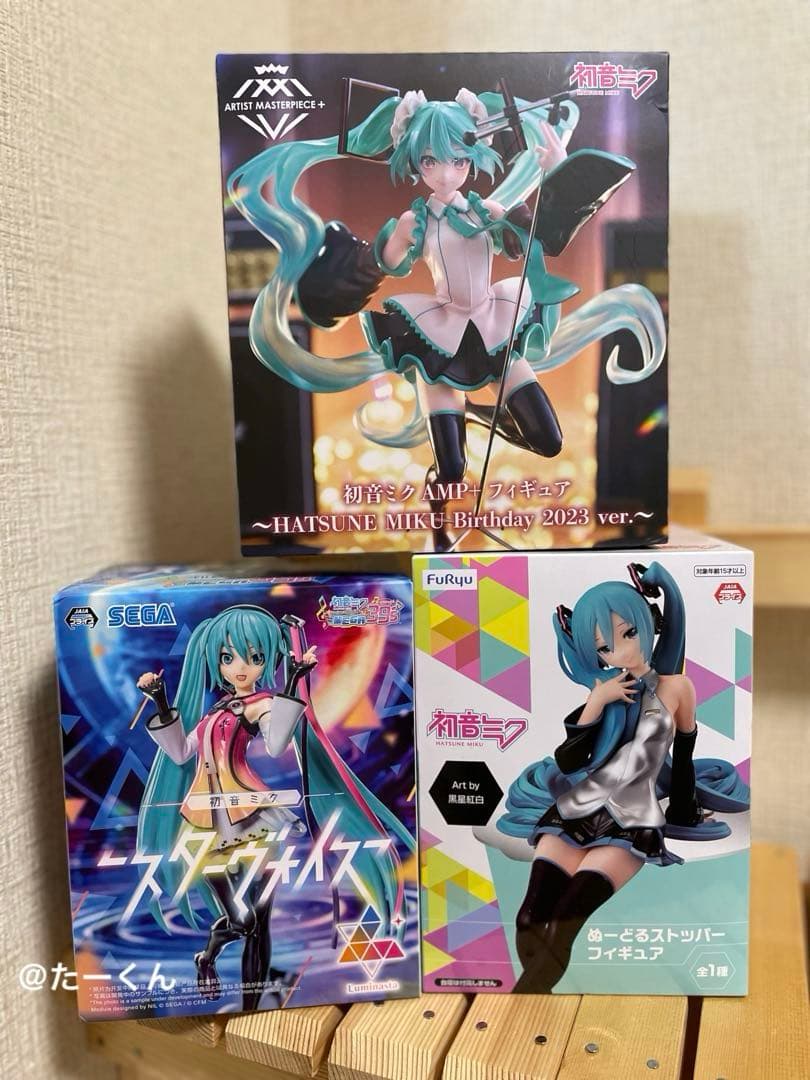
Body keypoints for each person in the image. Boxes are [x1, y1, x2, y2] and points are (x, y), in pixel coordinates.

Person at [227, 85, 666, 547]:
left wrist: (559, 172)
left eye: (458, 160)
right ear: (416, 163)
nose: (445, 172)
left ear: (472, 157)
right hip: (438, 337)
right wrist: (351, 267)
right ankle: (438, 524)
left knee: (548, 439)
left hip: (495, 325)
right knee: (453, 469)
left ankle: (475, 412)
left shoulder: (486, 211)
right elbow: (379, 264)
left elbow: (538, 238)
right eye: (431, 161)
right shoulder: (413, 222)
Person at [135, 604, 409, 1008]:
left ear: (267, 660)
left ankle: (253, 1001)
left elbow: (277, 743)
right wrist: (160, 701)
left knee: (259, 921)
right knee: (242, 920)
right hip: (205, 822)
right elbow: (180, 753)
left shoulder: (262, 704)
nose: (240, 667)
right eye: (228, 657)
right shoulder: (213, 710)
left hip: (252, 819)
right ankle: (207, 957)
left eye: (254, 657)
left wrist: (294, 681)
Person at [496, 563, 750, 992]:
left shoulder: (678, 687)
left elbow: (683, 757)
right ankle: (530, 1005)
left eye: (629, 633)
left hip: (633, 819)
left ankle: (520, 1010)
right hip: (578, 808)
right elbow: (570, 760)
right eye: (605, 647)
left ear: (648, 625)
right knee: (528, 919)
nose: (623, 651)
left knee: (563, 925)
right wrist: (597, 701)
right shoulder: (607, 690)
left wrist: (684, 813)